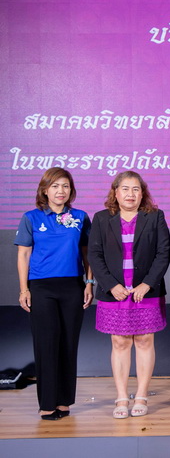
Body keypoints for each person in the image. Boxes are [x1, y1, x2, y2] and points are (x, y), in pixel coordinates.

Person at [88, 171, 170, 419]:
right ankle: (122, 397)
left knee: (144, 340)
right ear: (115, 192)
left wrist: (147, 284)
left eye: (136, 189)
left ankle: (142, 395)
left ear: (142, 193)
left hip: (145, 292)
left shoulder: (155, 216)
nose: (130, 194)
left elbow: (164, 252)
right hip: (114, 292)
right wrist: (110, 285)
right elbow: (94, 255)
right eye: (125, 189)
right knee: (120, 342)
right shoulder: (101, 218)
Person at [15, 168, 94, 420]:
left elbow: (87, 253)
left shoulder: (80, 217)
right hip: (41, 287)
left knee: (69, 344)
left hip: (73, 286)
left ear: (71, 190)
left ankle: (64, 401)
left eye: (66, 186)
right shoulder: (31, 217)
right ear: (45, 190)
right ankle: (47, 403)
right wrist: (24, 289)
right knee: (46, 344)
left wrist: (89, 283)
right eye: (55, 186)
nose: (61, 191)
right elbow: (23, 254)